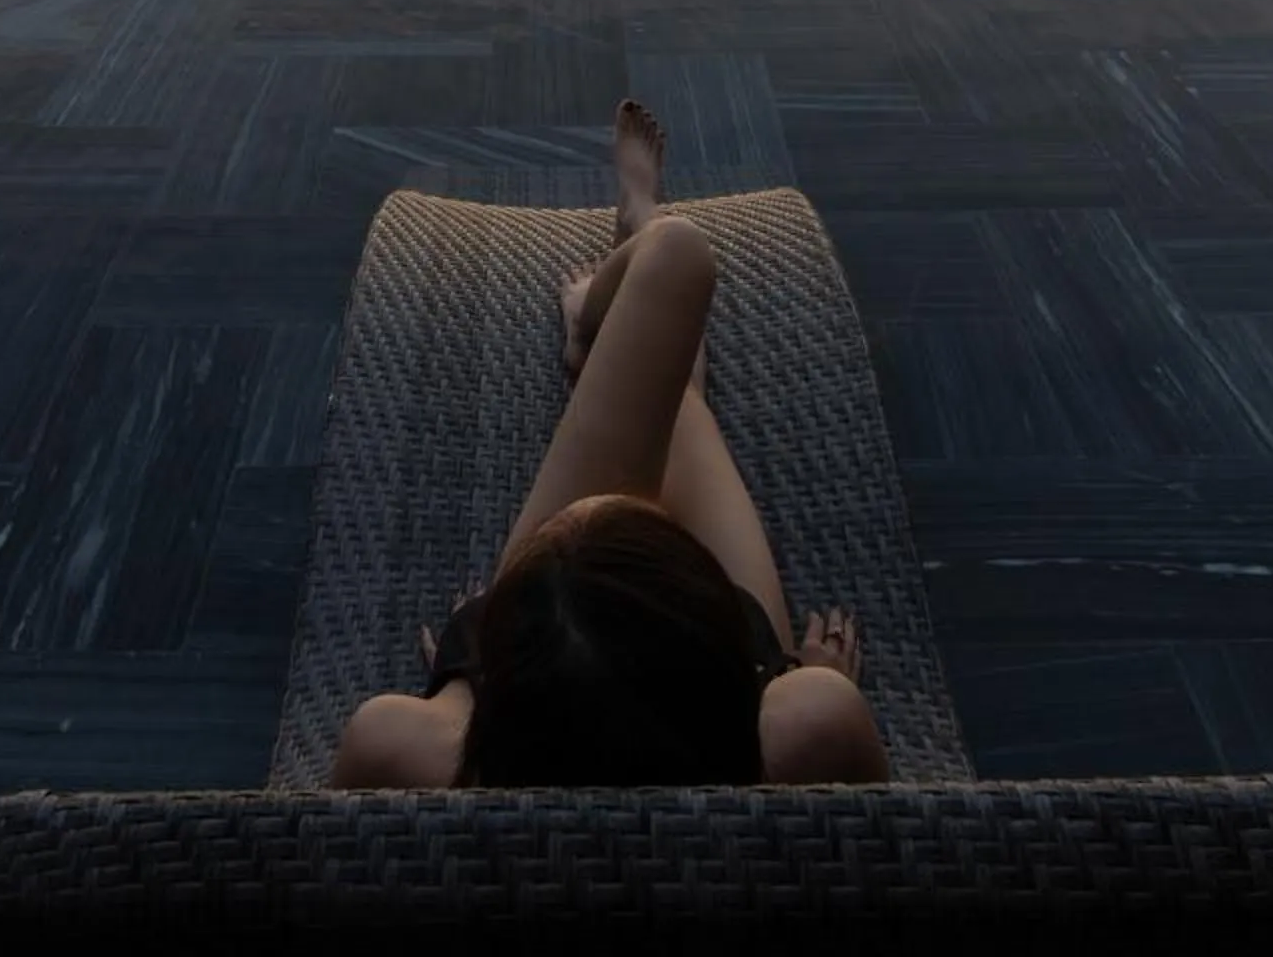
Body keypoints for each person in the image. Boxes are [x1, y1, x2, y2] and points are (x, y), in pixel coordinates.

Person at [330, 100, 892, 788]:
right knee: (676, 332)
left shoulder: (395, 749)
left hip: (541, 705)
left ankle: (598, 330)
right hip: (681, 707)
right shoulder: (811, 730)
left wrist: (468, 681)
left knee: (670, 284)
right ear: (720, 625)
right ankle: (627, 282)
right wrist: (819, 684)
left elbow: (441, 732)